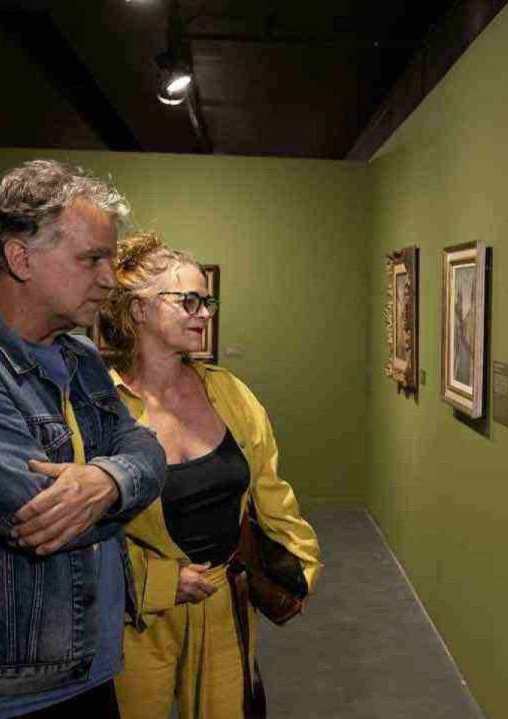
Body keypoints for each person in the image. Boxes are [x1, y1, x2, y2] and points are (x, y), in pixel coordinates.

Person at [0, 160, 167, 717]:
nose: (109, 278)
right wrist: (125, 478)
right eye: (91, 259)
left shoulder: (81, 356)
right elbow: (41, 518)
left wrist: (108, 478)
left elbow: (147, 448)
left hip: (89, 667)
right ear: (20, 259)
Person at [97, 232, 322, 718]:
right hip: (136, 619)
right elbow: (81, 530)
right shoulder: (99, 405)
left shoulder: (229, 393)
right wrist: (158, 583)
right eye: (189, 301)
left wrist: (299, 569)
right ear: (138, 310)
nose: (205, 313)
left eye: (207, 301)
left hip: (225, 603)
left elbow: (271, 494)